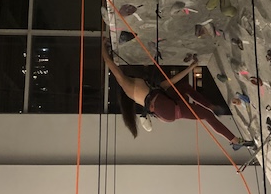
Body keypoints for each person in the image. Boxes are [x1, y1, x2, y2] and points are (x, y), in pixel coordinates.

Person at [102, 39, 256, 150]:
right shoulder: (127, 86)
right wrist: (103, 48)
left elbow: (170, 82)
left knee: (184, 87)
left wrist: (191, 67)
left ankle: (211, 106)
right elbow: (111, 66)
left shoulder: (146, 86)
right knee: (206, 116)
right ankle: (235, 140)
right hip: (165, 108)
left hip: (164, 105)